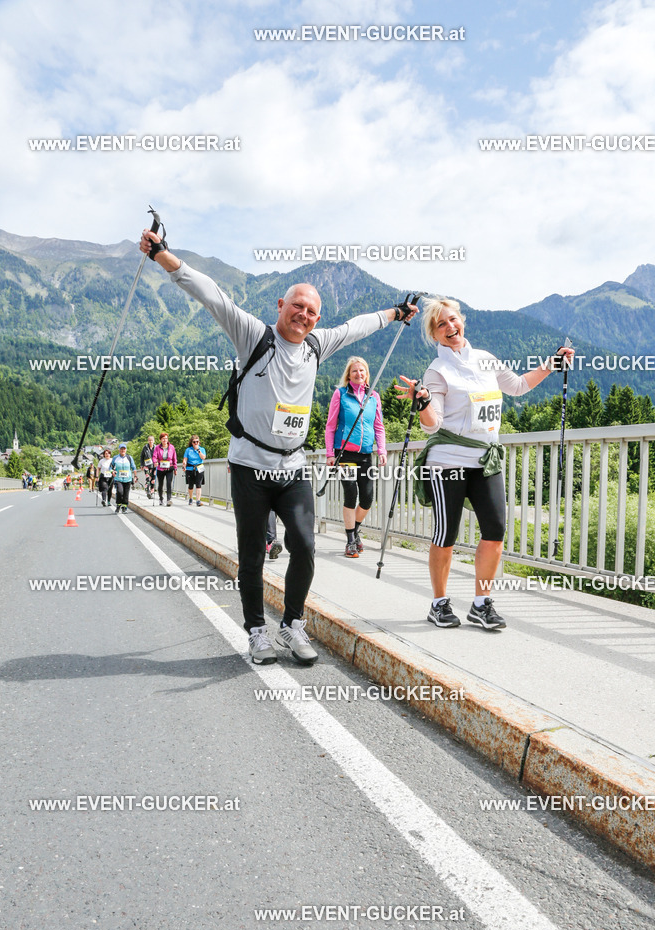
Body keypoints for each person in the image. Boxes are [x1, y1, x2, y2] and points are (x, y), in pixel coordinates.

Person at [140, 227, 417, 666]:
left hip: (293, 468)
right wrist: (163, 255)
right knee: (252, 555)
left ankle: (291, 624)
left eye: (311, 311)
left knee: (304, 545)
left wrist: (396, 313)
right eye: (297, 306)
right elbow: (212, 295)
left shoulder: (316, 345)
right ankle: (256, 631)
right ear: (280, 306)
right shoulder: (254, 334)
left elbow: (357, 327)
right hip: (249, 466)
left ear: (316, 320)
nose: (303, 315)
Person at [398, 296, 574, 631]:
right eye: (441, 324)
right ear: (434, 335)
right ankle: (439, 603)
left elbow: (518, 386)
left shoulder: (486, 360)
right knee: (446, 533)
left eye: (453, 319)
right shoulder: (437, 371)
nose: (450, 327)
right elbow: (433, 425)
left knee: (495, 531)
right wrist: (423, 402)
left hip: (486, 460)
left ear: (462, 320)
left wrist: (551, 363)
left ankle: (481, 604)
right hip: (448, 461)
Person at [324, 356, 387, 557]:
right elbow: (330, 426)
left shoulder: (373, 396)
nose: (359, 374)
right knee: (350, 494)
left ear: (366, 374)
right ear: (349, 375)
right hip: (345, 454)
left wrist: (382, 450)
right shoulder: (341, 394)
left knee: (367, 498)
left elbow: (378, 426)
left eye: (362, 370)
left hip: (366, 454)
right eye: (354, 371)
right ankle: (351, 541)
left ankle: (355, 530)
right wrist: (330, 453)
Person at [110, 443, 137, 514]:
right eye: (121, 449)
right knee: (120, 492)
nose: (123, 450)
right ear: (119, 450)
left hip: (128, 479)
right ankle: (118, 505)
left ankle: (124, 507)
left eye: (124, 449)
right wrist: (112, 471)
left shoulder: (129, 458)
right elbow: (111, 467)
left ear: (126, 450)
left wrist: (135, 476)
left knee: (126, 494)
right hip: (118, 479)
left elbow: (134, 467)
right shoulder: (115, 458)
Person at [152, 433, 177, 506]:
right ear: (160, 440)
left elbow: (174, 458)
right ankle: (161, 498)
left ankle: (169, 499)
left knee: (169, 483)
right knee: (160, 484)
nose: (165, 440)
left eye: (166, 438)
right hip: (160, 468)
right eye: (163, 438)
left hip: (169, 467)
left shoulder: (172, 447)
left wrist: (175, 468)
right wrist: (155, 462)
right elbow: (154, 456)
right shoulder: (157, 447)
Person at [182, 434, 206, 506]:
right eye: (194, 442)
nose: (195, 443)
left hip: (200, 467)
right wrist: (184, 464)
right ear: (191, 443)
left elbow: (203, 457)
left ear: (199, 442)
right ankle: (191, 498)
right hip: (190, 468)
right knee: (191, 485)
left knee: (199, 484)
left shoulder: (202, 449)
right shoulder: (188, 450)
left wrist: (198, 450)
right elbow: (185, 459)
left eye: (197, 442)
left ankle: (198, 500)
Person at [140, 435, 156, 500]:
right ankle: (148, 491)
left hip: (154, 466)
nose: (150, 441)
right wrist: (142, 465)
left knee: (153, 479)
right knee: (148, 478)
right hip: (147, 465)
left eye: (151, 440)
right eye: (149, 440)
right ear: (148, 441)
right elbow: (142, 456)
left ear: (154, 441)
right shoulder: (145, 447)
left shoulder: (156, 447)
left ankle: (152, 492)